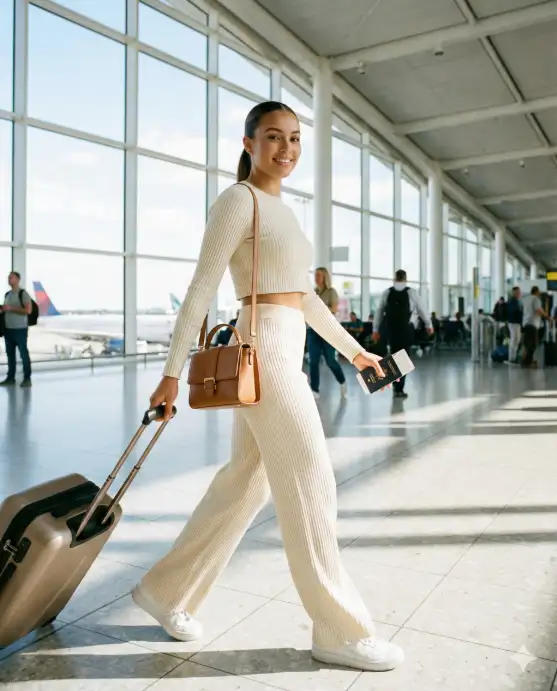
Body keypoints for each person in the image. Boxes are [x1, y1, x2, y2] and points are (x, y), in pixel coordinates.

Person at [129, 101, 404, 673]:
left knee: (246, 483)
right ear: (250, 142)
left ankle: (166, 592)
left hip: (286, 346)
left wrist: (356, 352)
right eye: (274, 137)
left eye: (295, 139)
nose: (287, 149)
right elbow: (202, 289)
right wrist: (170, 373)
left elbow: (302, 299)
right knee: (311, 480)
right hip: (262, 350)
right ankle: (339, 629)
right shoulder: (238, 200)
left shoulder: (284, 211)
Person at [372, 270, 433, 398]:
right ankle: (399, 388)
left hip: (391, 330)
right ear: (405, 279)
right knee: (403, 358)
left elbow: (379, 313)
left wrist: (375, 330)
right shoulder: (411, 292)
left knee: (393, 357)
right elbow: (422, 310)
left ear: (394, 279)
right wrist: (429, 325)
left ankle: (396, 385)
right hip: (406, 330)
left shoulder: (387, 292)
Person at [307, 267, 348, 399]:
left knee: (330, 360)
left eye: (319, 275)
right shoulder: (313, 293)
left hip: (327, 331)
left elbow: (334, 309)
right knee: (313, 361)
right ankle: (314, 390)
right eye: (315, 275)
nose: (316, 278)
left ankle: (342, 381)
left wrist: (319, 306)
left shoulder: (331, 292)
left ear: (325, 277)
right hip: (313, 331)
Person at [0, 271, 32, 387]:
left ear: (18, 279)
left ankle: (27, 378)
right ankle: (10, 377)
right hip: (8, 329)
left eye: (11, 278)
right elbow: (7, 309)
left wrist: (11, 308)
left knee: (23, 353)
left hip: (20, 329)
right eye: (8, 277)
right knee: (10, 354)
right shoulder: (7, 294)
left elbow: (28, 311)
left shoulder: (23, 294)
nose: (9, 279)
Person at [521, 286, 547, 368]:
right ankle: (527, 362)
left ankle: (526, 360)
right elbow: (538, 310)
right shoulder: (536, 299)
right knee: (533, 344)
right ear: (536, 291)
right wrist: (545, 315)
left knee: (527, 344)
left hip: (525, 323)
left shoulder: (526, 299)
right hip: (532, 324)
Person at [506, 286, 523, 365]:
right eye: (518, 292)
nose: (519, 293)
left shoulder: (516, 301)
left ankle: (514, 357)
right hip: (513, 323)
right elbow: (513, 312)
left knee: (516, 340)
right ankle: (511, 358)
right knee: (514, 339)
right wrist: (520, 312)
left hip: (516, 323)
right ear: (514, 293)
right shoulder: (512, 302)